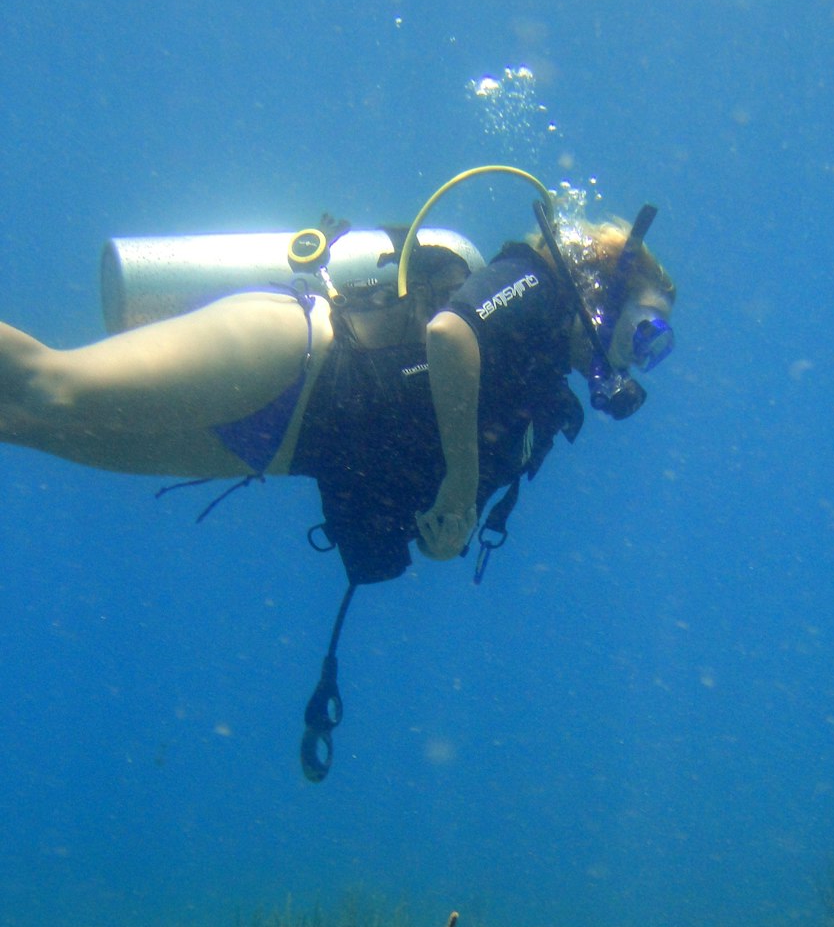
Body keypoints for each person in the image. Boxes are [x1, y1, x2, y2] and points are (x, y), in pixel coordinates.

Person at [0, 190, 676, 774]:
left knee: (30, 426)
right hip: (291, 352)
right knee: (53, 387)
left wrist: (444, 536)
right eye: (646, 329)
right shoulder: (535, 281)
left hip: (282, 446)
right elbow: (448, 332)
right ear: (604, 291)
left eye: (654, 348)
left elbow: (431, 490)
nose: (638, 354)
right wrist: (463, 489)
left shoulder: (539, 399)